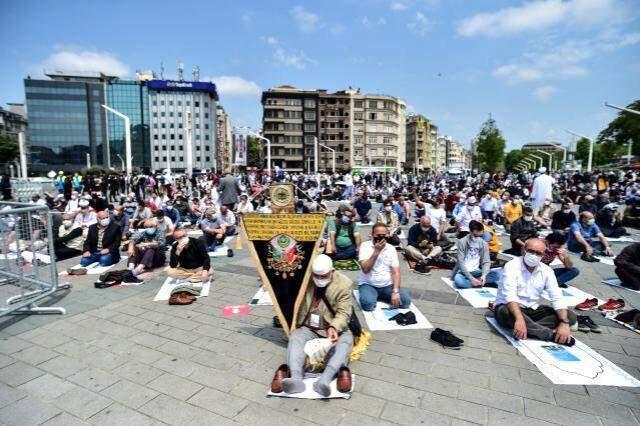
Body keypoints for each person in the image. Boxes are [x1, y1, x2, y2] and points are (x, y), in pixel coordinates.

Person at [276, 254, 353, 397]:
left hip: (332, 327)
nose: (319, 279)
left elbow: (344, 312)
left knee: (346, 342)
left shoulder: (344, 284)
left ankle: (324, 380)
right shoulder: (305, 279)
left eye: (323, 276)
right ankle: (296, 378)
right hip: (309, 326)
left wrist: (334, 327)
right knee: (296, 337)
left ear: (332, 270)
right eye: (316, 276)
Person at [494, 238, 577, 345]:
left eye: (538, 253)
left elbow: (557, 297)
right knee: (505, 312)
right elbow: (510, 296)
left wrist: (564, 323)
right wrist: (519, 319)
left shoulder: (547, 271)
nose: (534, 255)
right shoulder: (512, 266)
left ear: (543, 255)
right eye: (531, 251)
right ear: (523, 250)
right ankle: (549, 335)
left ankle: (528, 328)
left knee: (570, 316)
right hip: (511, 308)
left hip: (532, 309)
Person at [357, 223, 411, 311]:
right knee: (367, 305)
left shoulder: (391, 248)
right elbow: (365, 269)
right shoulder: (365, 246)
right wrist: (376, 252)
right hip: (369, 284)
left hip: (387, 285)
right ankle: (371, 295)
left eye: (383, 235)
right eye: (378, 235)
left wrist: (395, 291)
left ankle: (380, 296)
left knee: (406, 302)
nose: (381, 238)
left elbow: (395, 272)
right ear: (372, 234)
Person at [451, 220, 501, 288]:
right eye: (475, 235)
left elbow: (486, 261)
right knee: (459, 281)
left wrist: (484, 275)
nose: (477, 238)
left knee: (497, 275)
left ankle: (476, 282)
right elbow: (460, 262)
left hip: (477, 271)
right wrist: (471, 279)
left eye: (480, 236)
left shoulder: (483, 243)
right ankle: (477, 283)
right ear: (470, 232)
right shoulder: (462, 242)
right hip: (464, 272)